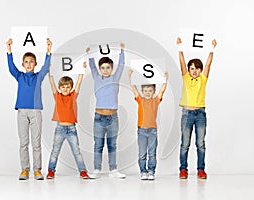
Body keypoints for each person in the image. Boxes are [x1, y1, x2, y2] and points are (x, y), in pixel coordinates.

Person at [6, 38, 52, 180]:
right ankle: (24, 170)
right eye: (26, 62)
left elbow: (46, 67)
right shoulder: (19, 76)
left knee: (36, 143)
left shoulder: (38, 77)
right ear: (23, 64)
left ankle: (37, 170)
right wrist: (9, 50)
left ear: (35, 63)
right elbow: (11, 68)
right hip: (22, 112)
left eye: (31, 61)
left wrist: (48, 51)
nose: (29, 64)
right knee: (24, 142)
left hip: (35, 112)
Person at [176, 37, 217, 179]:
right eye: (191, 68)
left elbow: (208, 65)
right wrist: (180, 47)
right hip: (187, 113)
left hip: (200, 113)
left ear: (200, 70)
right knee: (185, 143)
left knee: (200, 143)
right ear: (188, 70)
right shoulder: (186, 78)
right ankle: (183, 169)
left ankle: (201, 169)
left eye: (197, 68)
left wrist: (211, 49)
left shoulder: (202, 79)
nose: (194, 71)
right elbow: (181, 62)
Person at [86, 43, 126, 179]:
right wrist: (90, 55)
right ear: (100, 69)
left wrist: (122, 51)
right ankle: (96, 169)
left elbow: (121, 65)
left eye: (108, 67)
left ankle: (113, 169)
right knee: (98, 144)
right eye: (102, 68)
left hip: (113, 117)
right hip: (99, 117)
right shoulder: (97, 77)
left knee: (112, 145)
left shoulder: (115, 78)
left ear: (111, 68)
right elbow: (91, 66)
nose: (105, 70)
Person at [46, 62, 90, 179]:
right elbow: (51, 83)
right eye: (63, 87)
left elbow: (79, 82)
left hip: (71, 129)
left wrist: (82, 70)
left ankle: (83, 171)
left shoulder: (73, 96)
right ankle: (51, 170)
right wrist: (50, 71)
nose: (65, 89)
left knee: (77, 151)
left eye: (68, 87)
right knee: (55, 151)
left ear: (71, 88)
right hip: (60, 128)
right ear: (60, 88)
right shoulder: (57, 96)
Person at [128, 69, 168, 180]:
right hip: (141, 130)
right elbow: (134, 89)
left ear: (153, 91)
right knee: (142, 154)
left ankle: (151, 171)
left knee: (152, 153)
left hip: (152, 131)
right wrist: (130, 77)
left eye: (150, 90)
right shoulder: (140, 100)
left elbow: (162, 91)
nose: (147, 92)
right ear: (142, 91)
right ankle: (143, 171)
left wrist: (165, 80)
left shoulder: (156, 100)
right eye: (145, 90)